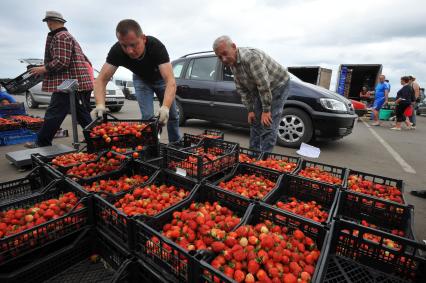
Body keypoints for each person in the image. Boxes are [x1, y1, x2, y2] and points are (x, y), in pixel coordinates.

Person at [91, 19, 180, 142]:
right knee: (147, 117)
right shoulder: (117, 51)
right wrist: (100, 104)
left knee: (172, 115)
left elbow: (170, 81)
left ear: (143, 38)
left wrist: (165, 107)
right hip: (141, 79)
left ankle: (176, 144)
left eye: (133, 44)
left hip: (161, 80)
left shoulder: (156, 46)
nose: (129, 51)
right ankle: (151, 147)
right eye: (124, 45)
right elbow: (101, 80)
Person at [25, 11, 93, 148]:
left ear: (49, 22)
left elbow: (61, 61)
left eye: (47, 23)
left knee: (54, 113)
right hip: (74, 83)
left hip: (67, 83)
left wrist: (43, 69)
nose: (47, 25)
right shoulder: (67, 36)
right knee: (82, 115)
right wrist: (43, 67)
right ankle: (97, 138)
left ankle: (42, 143)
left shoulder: (60, 36)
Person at [213, 35, 290, 152]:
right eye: (219, 57)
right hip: (258, 88)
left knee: (267, 124)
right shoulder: (232, 63)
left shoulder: (251, 58)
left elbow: (263, 85)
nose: (223, 59)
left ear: (233, 47)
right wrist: (250, 110)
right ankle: (253, 155)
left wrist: (266, 110)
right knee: (254, 122)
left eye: (224, 53)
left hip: (277, 85)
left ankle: (264, 160)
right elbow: (242, 89)